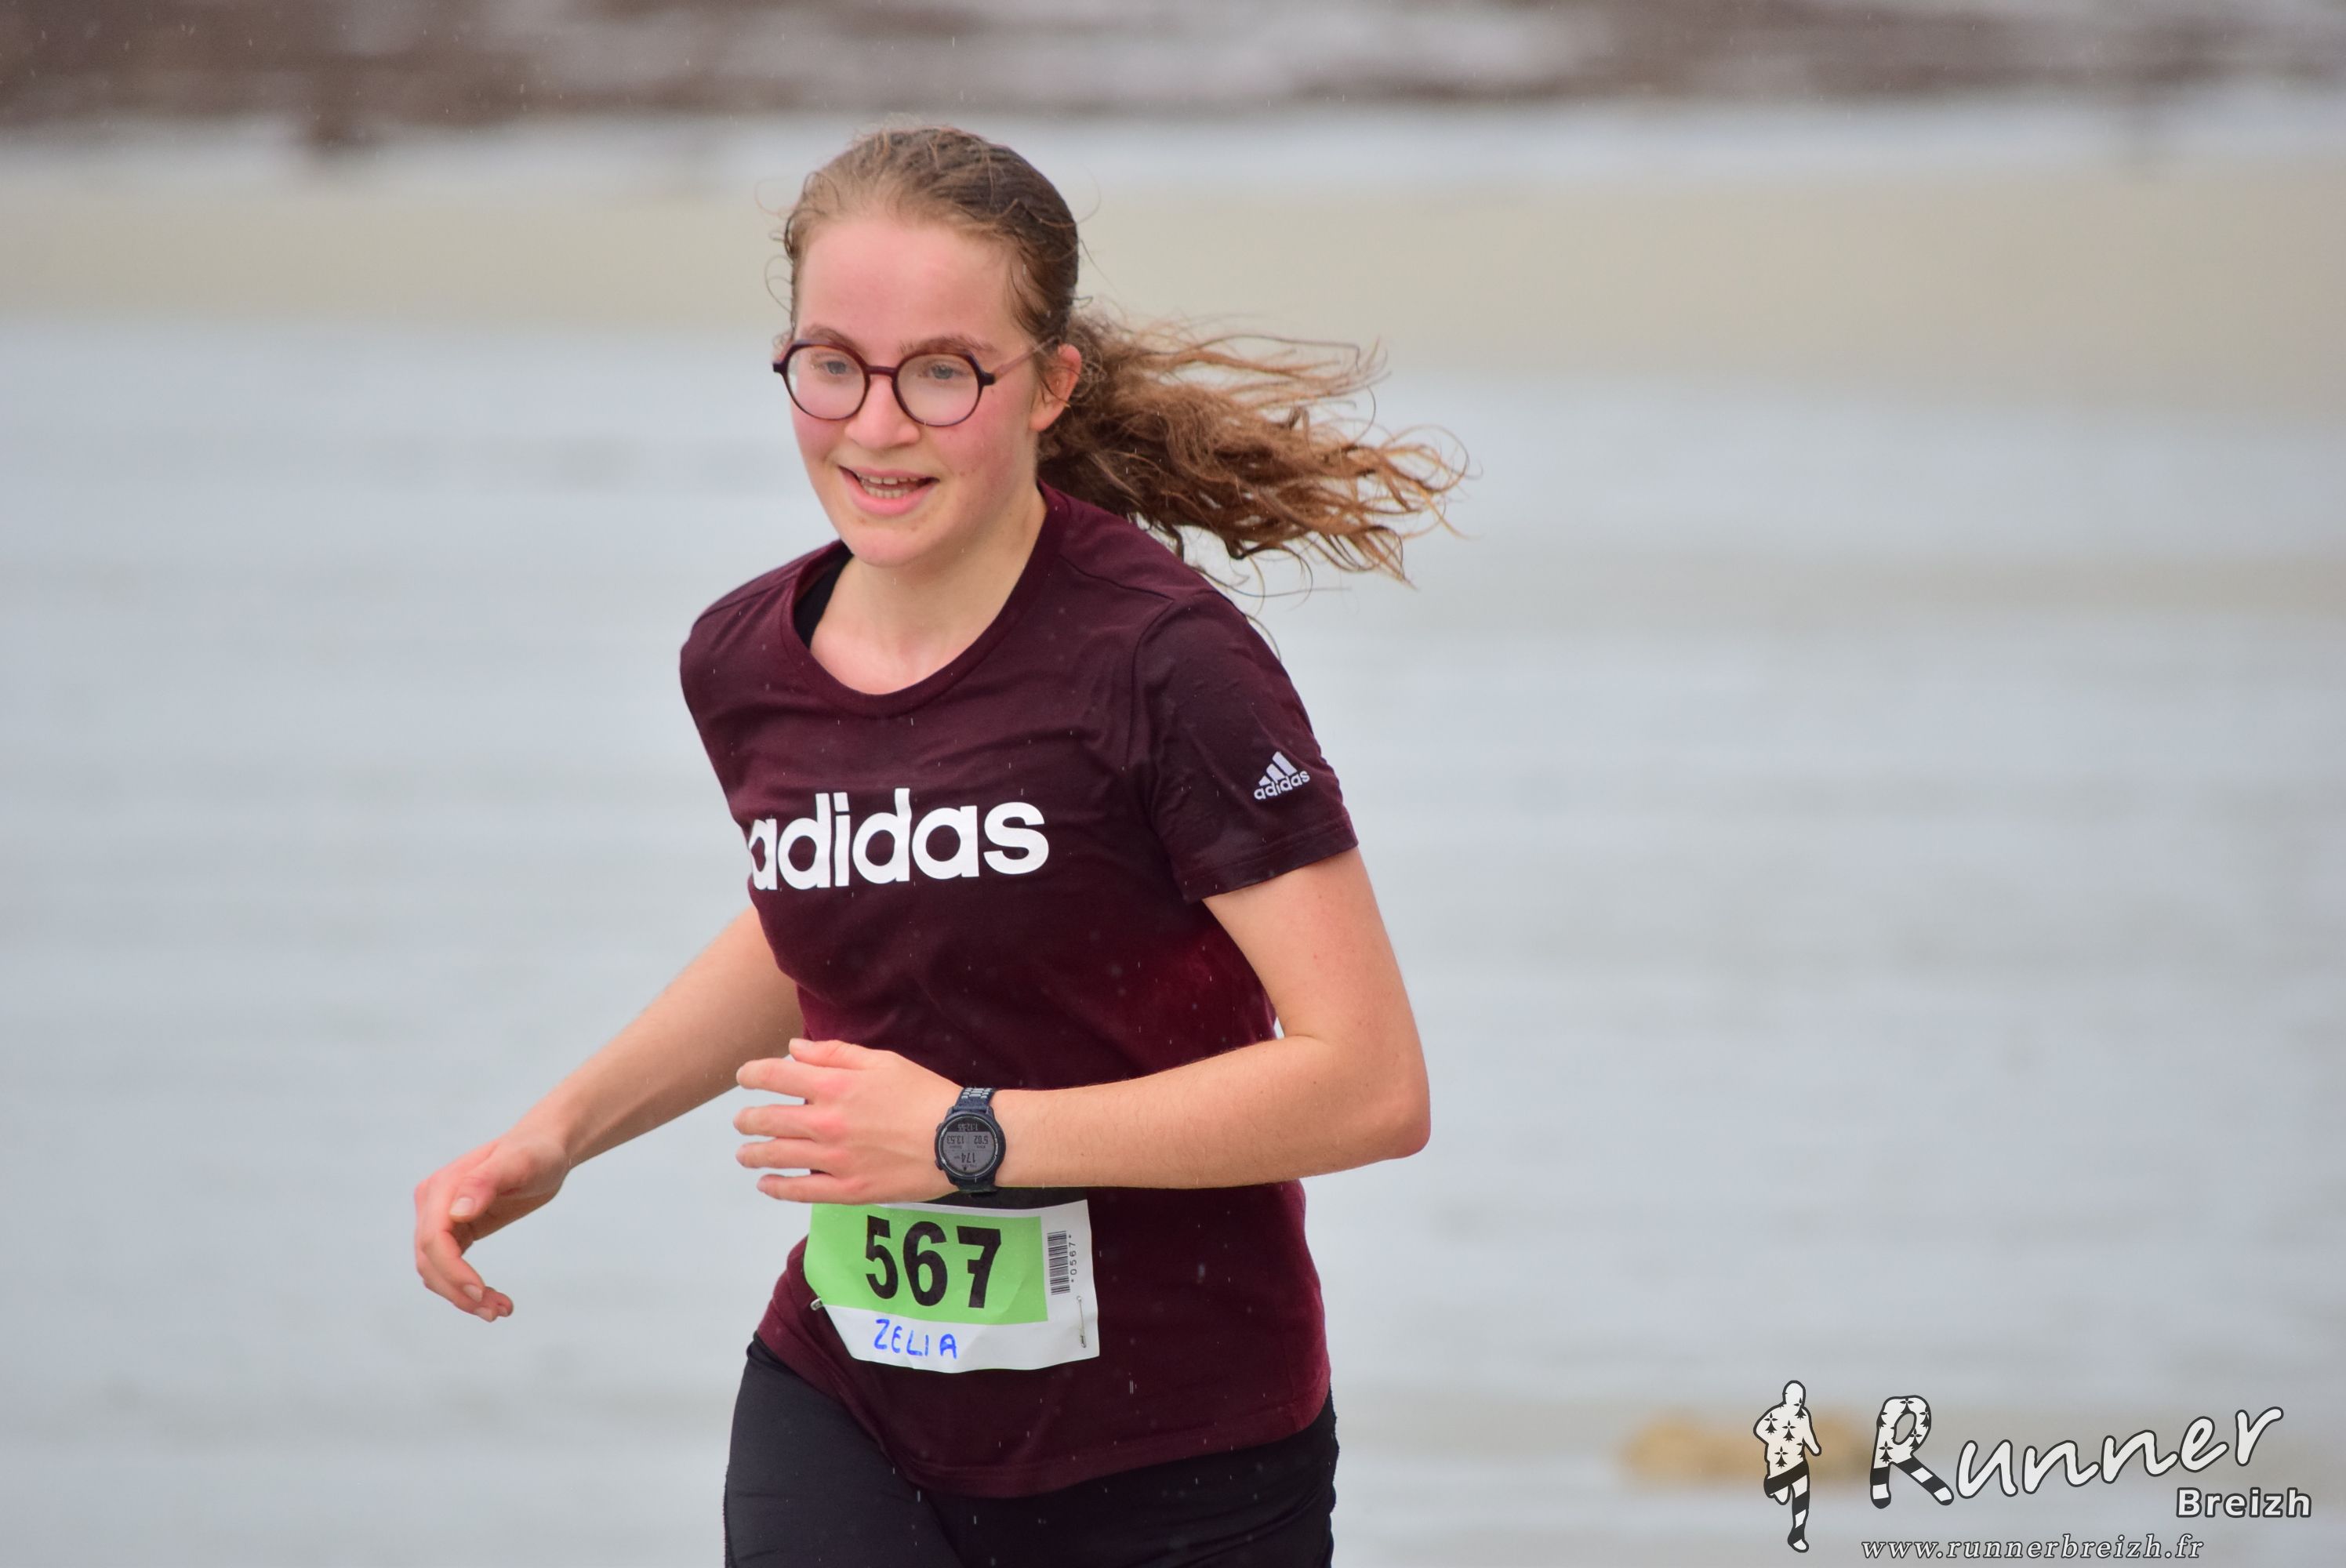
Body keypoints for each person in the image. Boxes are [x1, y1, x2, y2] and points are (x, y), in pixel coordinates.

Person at [412, 120, 1469, 1567]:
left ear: (1050, 385)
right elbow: (835, 914)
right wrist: (559, 1134)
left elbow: (1370, 1085)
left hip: (1182, 1448)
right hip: (853, 1403)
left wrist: (966, 1137)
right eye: (833, 365)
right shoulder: (742, 659)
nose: (876, 425)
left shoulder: (1167, 663)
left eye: (942, 372)